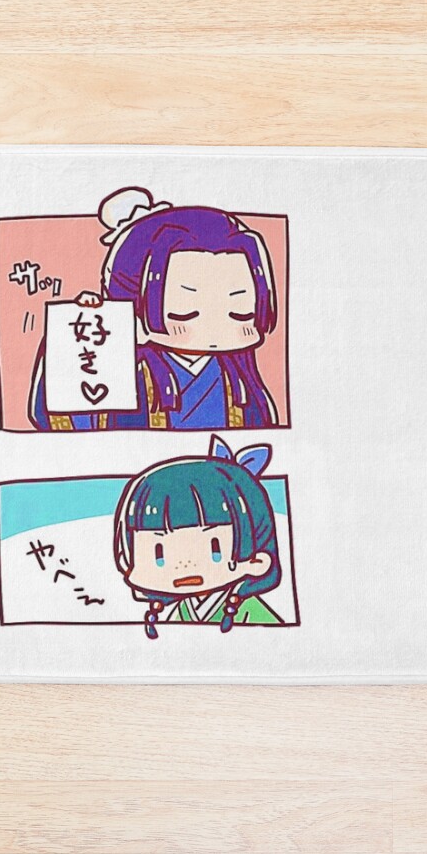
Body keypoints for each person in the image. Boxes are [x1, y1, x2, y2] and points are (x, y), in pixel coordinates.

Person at [29, 187, 279, 430]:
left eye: (239, 312)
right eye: (187, 311)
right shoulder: (128, 368)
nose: (213, 324)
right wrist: (79, 338)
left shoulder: (238, 380)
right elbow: (63, 421)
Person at [113, 435, 284, 639]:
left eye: (215, 549)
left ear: (256, 560)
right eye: (159, 555)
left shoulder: (251, 612)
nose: (184, 565)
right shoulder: (181, 609)